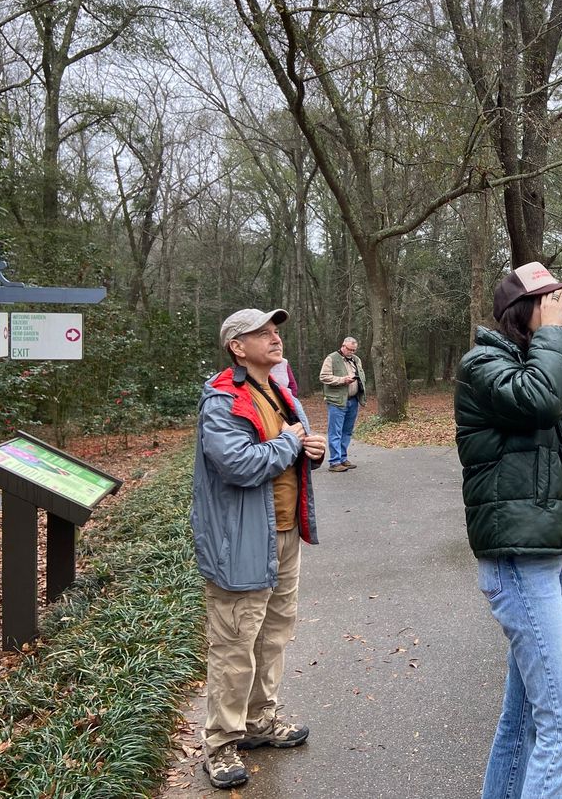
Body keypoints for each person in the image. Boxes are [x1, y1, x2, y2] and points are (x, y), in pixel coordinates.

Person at [454, 261, 562, 799]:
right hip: (520, 562)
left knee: (525, 717)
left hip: (553, 555)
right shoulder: (483, 364)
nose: (560, 309)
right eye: (550, 301)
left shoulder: (540, 364)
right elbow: (540, 401)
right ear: (520, 312)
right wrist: (554, 336)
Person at [191, 308, 327, 790]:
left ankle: (258, 722)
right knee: (234, 644)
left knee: (273, 635)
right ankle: (220, 742)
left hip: (284, 535)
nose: (274, 338)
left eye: (275, 332)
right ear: (237, 347)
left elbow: (290, 448)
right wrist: (291, 444)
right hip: (240, 543)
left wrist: (312, 447)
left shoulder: (279, 390)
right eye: (262, 334)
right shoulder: (224, 399)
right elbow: (239, 464)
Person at [320, 336, 366, 472]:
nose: (351, 352)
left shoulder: (356, 360)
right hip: (337, 401)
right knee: (335, 431)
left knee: (347, 431)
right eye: (349, 349)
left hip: (353, 400)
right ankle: (334, 462)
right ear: (343, 346)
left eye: (354, 350)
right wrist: (342, 380)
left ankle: (343, 458)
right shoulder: (331, 358)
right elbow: (323, 376)